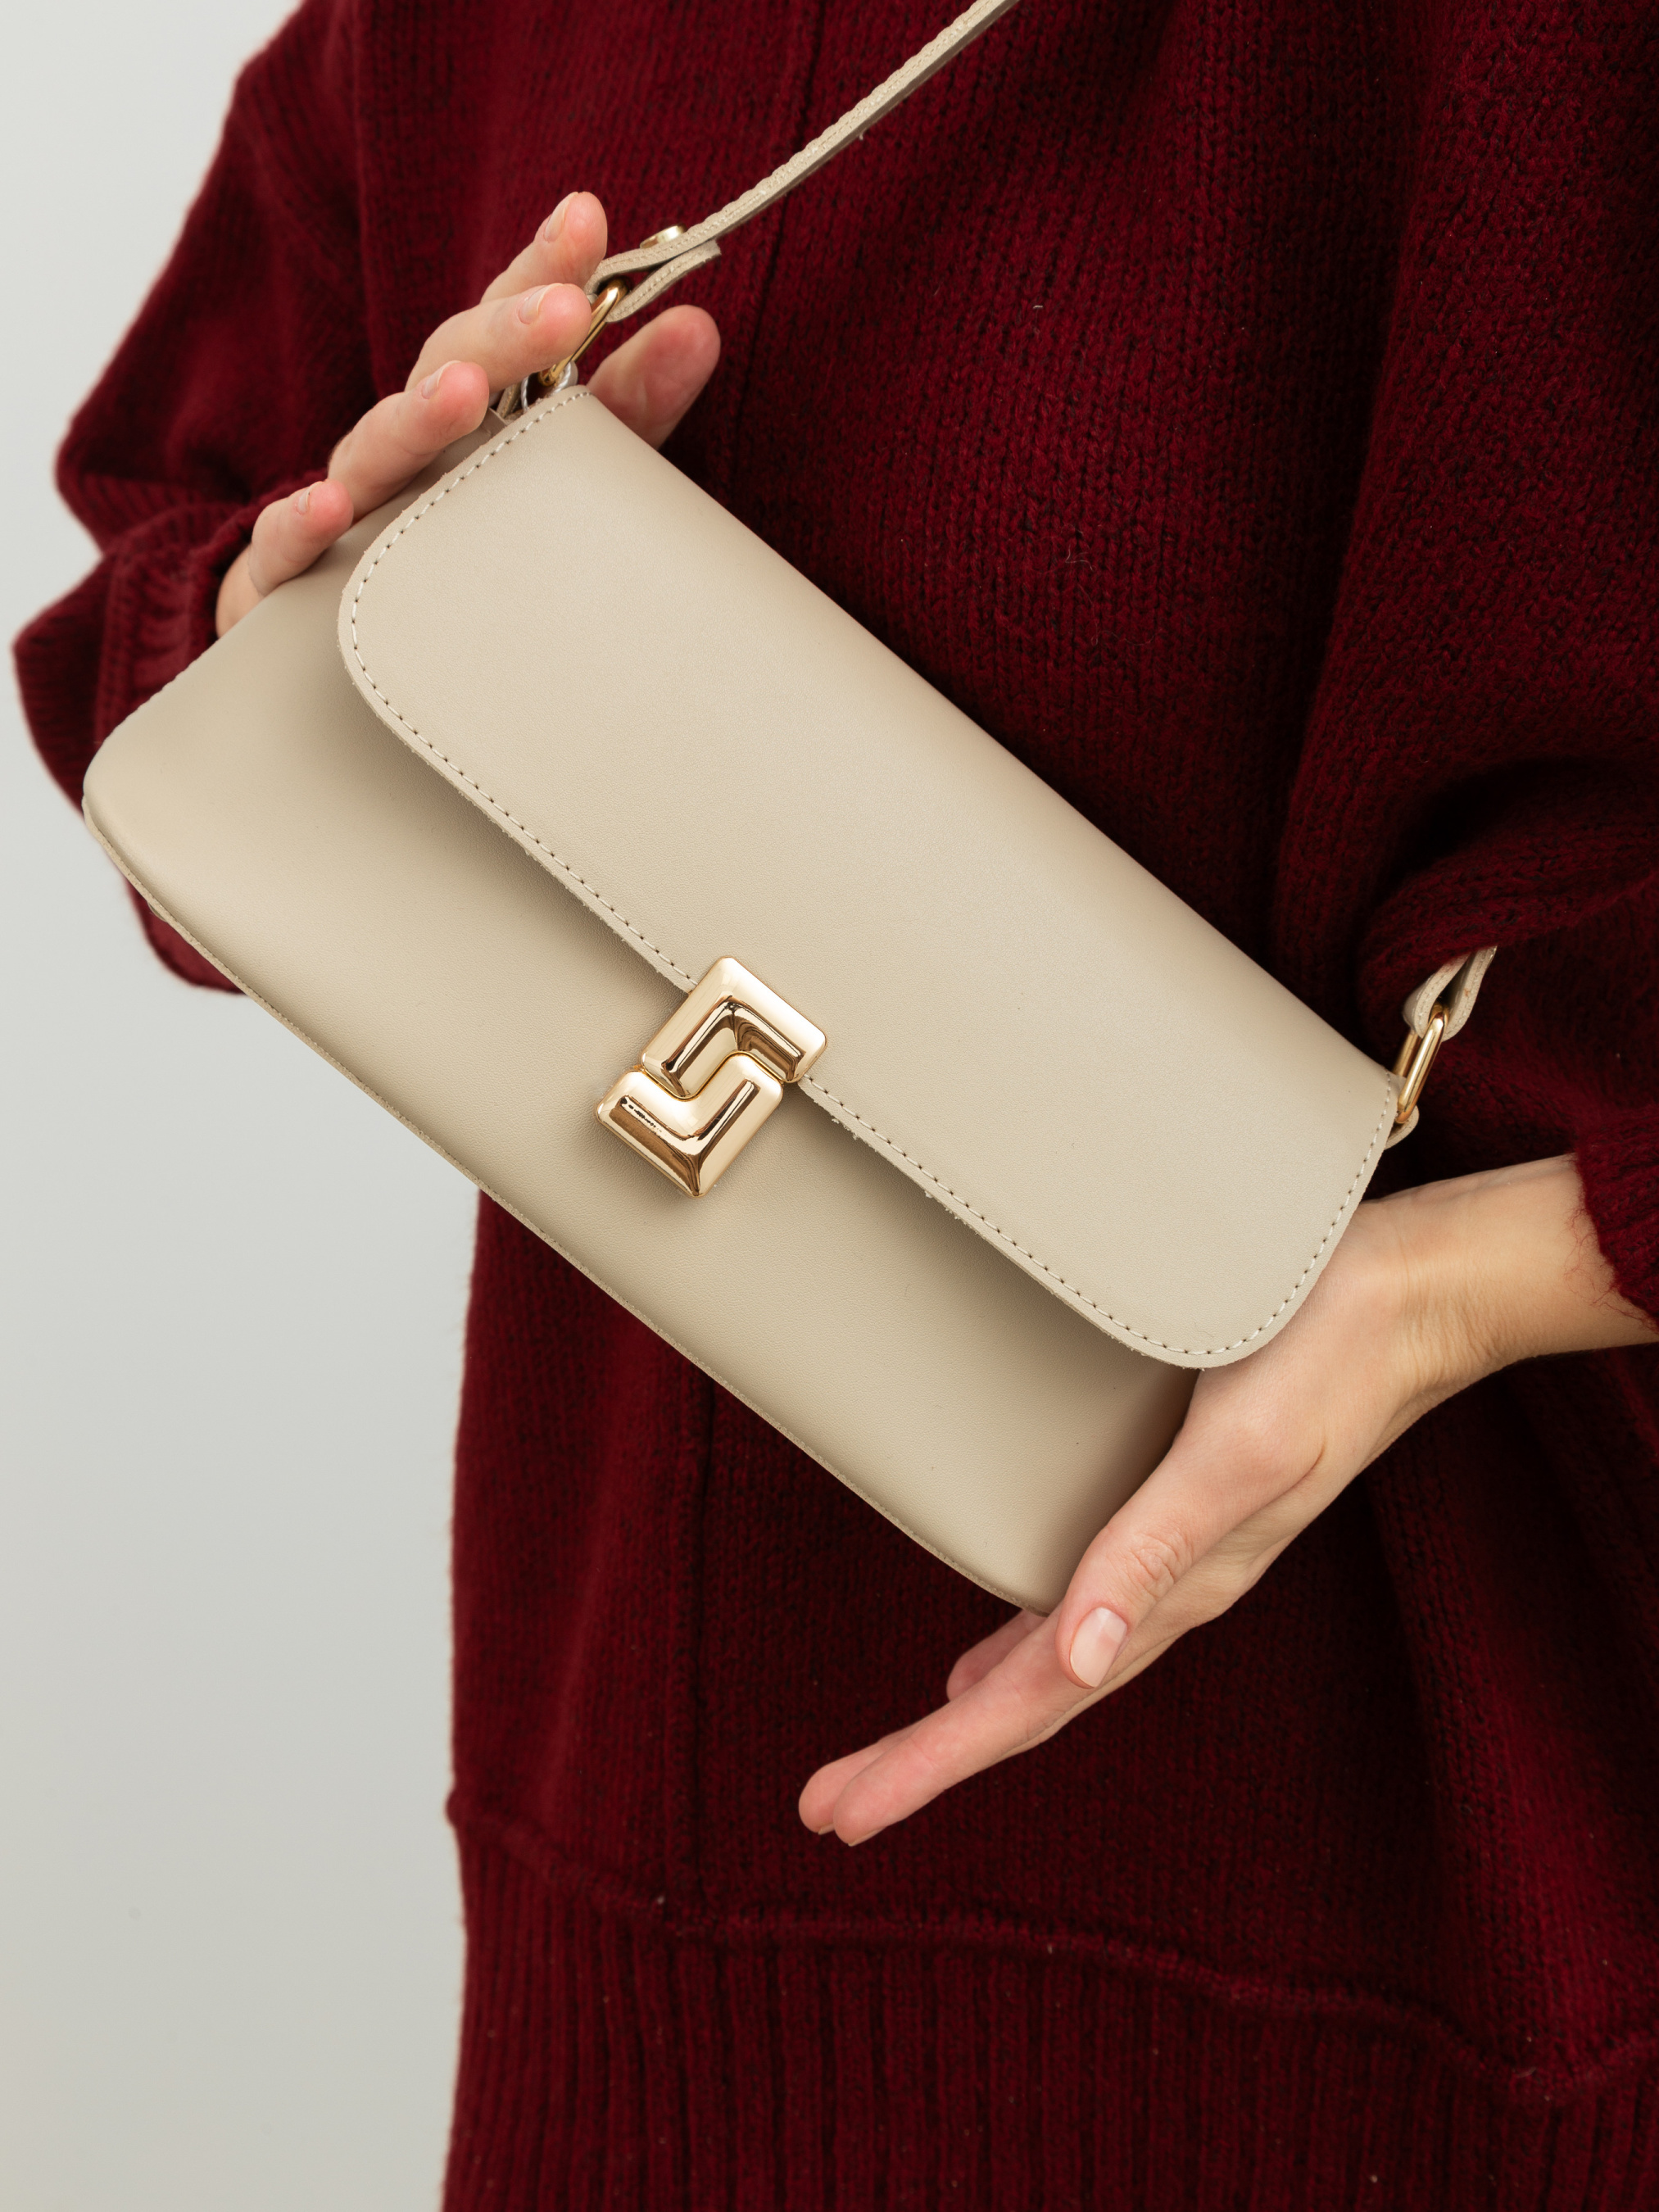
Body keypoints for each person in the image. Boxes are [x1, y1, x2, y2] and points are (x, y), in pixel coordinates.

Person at [16, 0, 1659, 2202]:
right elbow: (170, 571)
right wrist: (319, 608)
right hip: (641, 1958)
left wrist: (1471, 1279)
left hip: (1479, 1967)